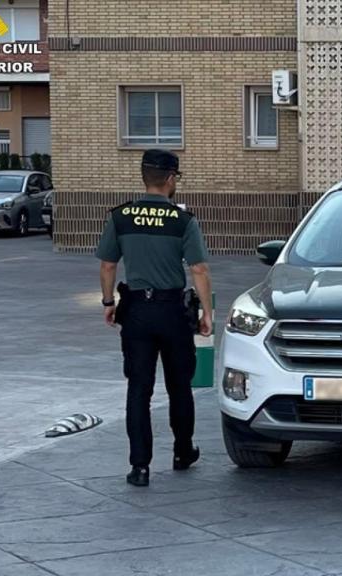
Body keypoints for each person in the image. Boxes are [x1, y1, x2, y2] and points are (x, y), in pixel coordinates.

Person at [96, 149, 214, 487]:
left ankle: (139, 467)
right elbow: (199, 269)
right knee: (180, 387)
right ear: (171, 178)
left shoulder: (120, 216)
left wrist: (108, 301)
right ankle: (182, 452)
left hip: (135, 313)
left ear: (144, 176)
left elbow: (107, 265)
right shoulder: (183, 221)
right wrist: (206, 312)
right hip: (172, 312)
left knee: (139, 389)